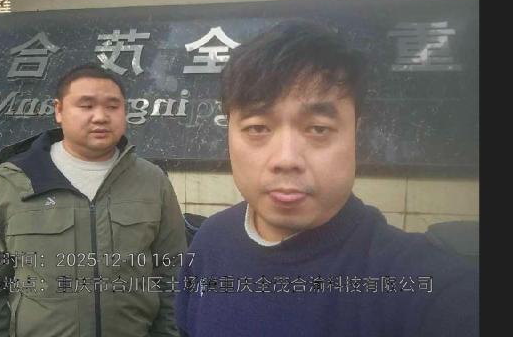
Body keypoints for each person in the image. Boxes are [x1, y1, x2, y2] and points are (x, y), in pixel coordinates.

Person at [174, 22, 478, 337]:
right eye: (258, 128)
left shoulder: (423, 284)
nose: (286, 159)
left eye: (318, 129)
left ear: (355, 133)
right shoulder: (211, 242)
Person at [0, 63, 187, 337]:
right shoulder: (16, 182)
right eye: (86, 105)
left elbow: (174, 274)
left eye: (113, 106)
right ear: (59, 110)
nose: (100, 117)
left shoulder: (152, 181)